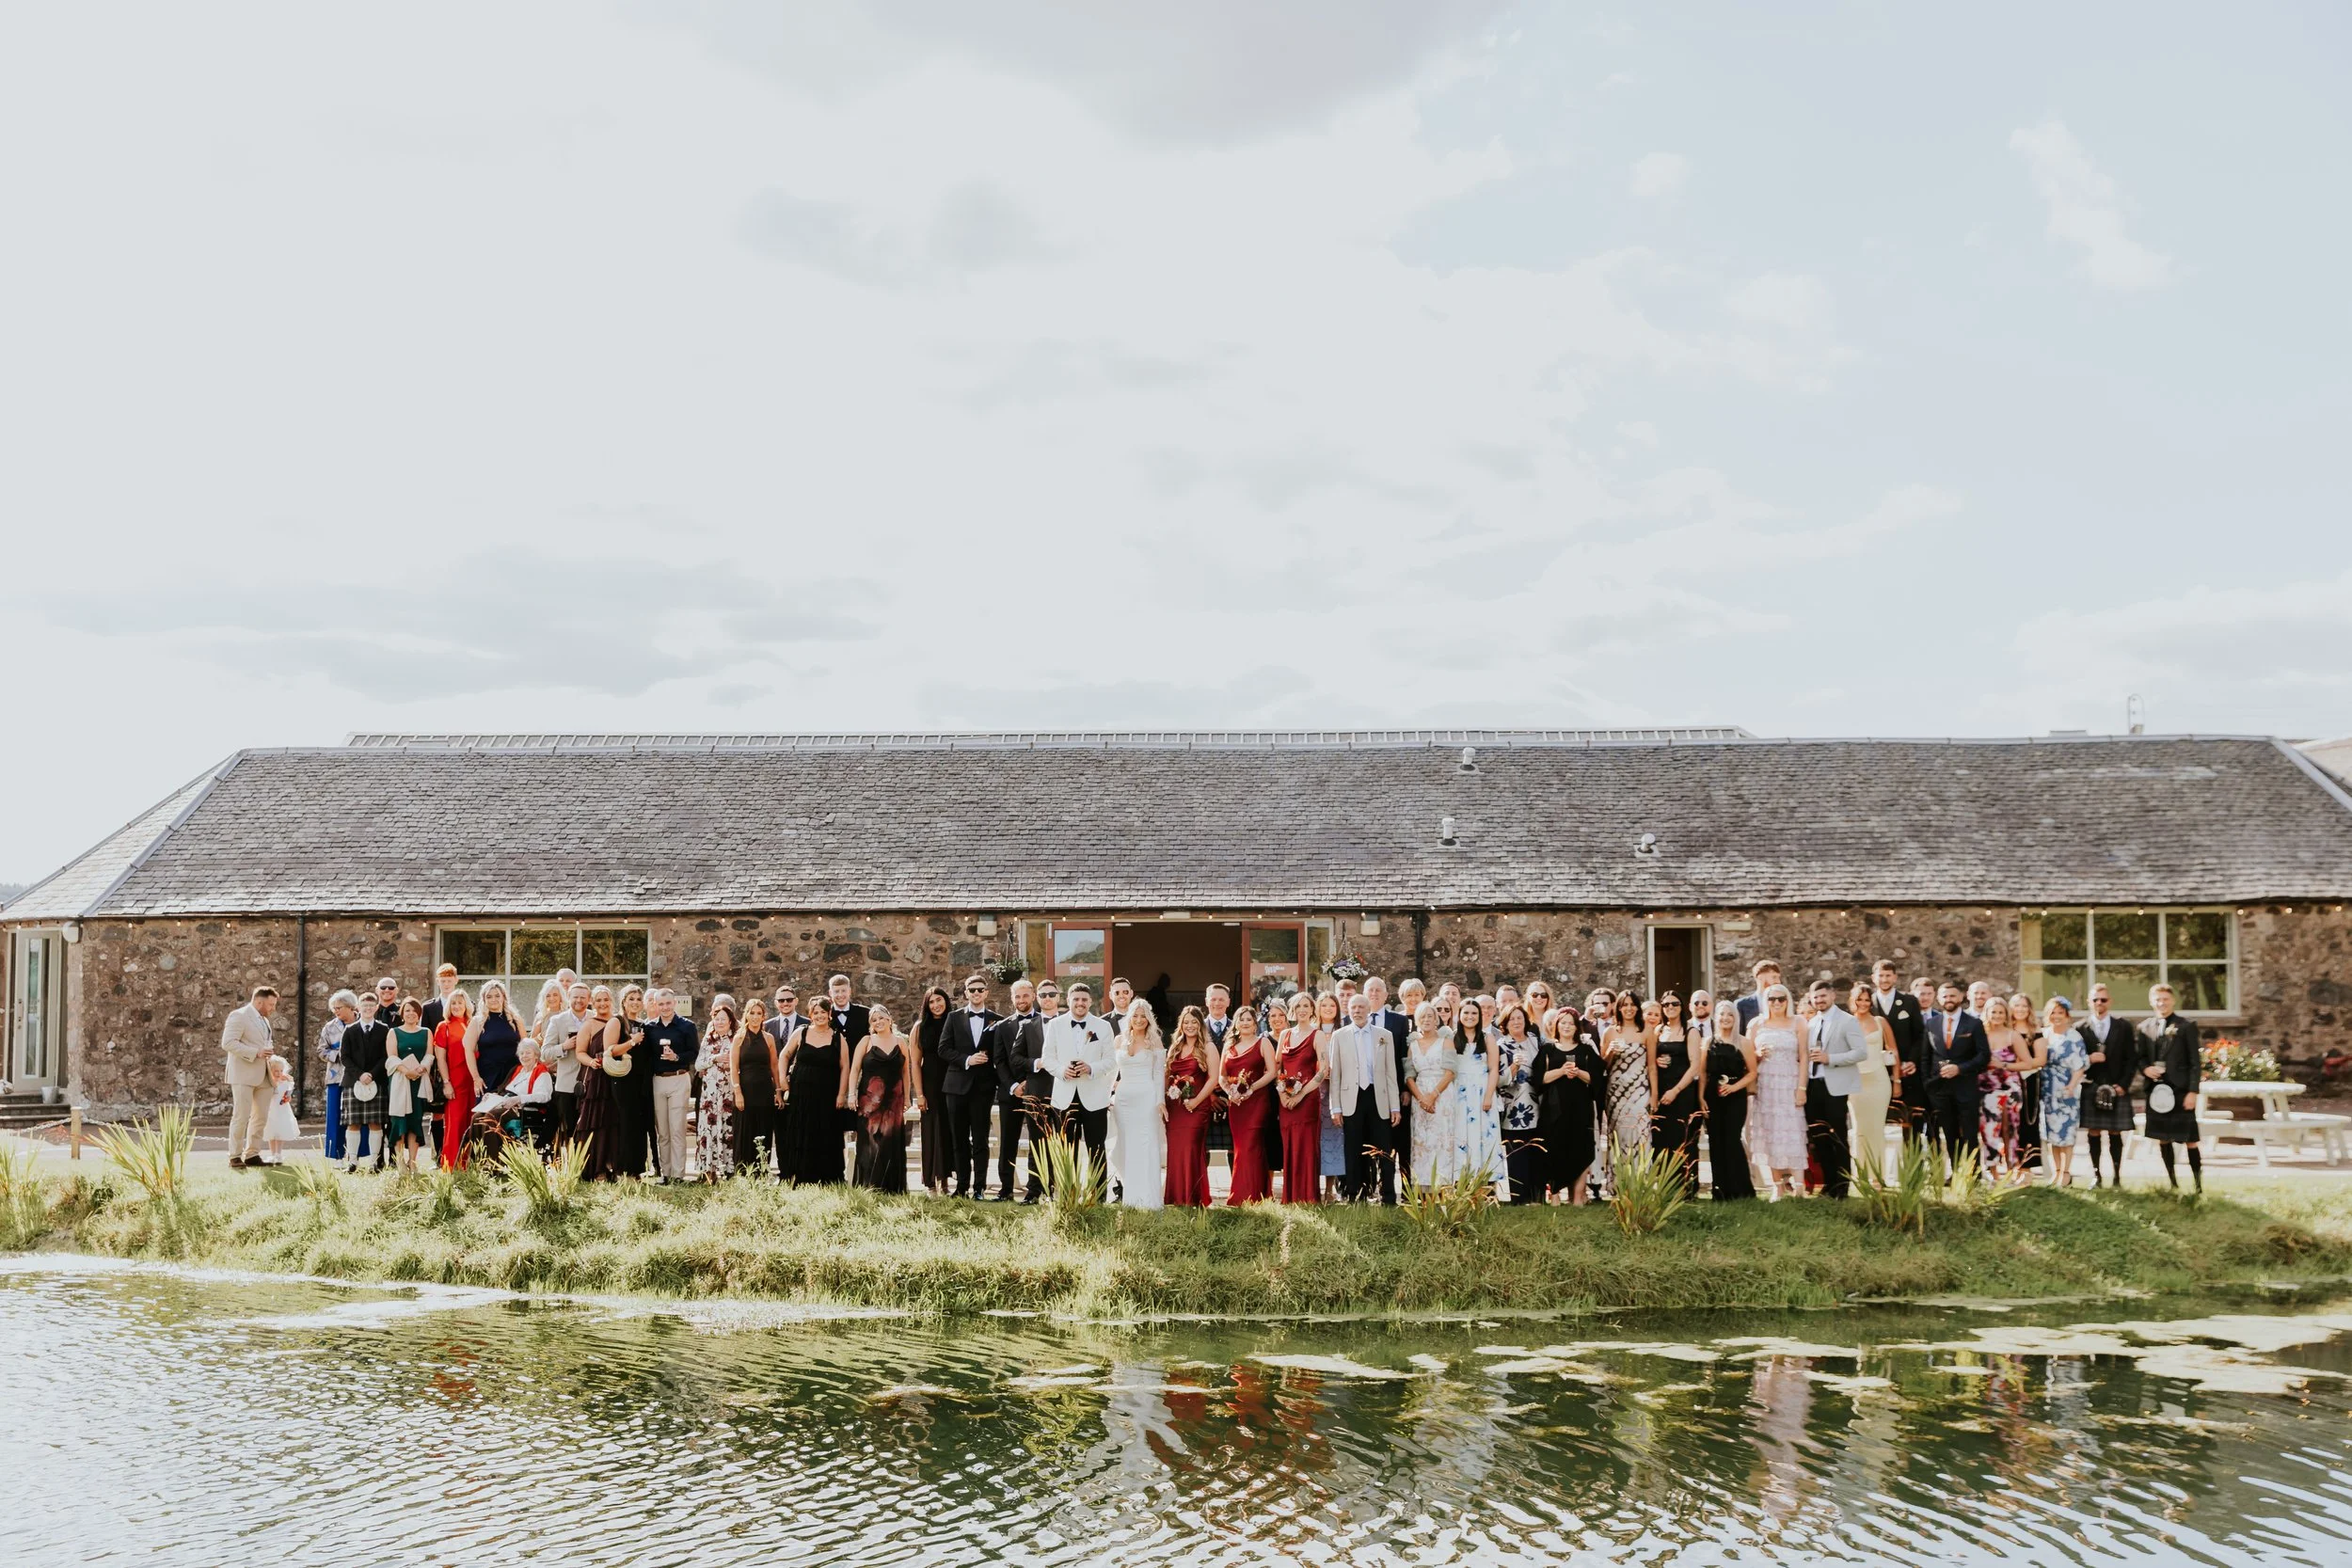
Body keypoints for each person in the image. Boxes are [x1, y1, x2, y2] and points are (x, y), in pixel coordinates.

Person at [1329, 992, 1401, 1202]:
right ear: (1348, 1011)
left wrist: (1395, 1107)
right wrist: (1336, 1107)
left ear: (1369, 1010)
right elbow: (1336, 1075)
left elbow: (1390, 1073)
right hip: (1351, 1099)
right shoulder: (1339, 1035)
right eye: (1354, 1008)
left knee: (1384, 1149)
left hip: (1378, 1098)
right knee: (1353, 1149)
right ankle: (1354, 1194)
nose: (1358, 1011)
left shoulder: (1384, 1035)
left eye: (1362, 1007)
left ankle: (1388, 1195)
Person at [1040, 984, 1118, 1167]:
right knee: (1067, 1151)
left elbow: (1111, 1061)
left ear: (1090, 1002)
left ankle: (1097, 1196)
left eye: (1084, 999)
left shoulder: (1103, 1026)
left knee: (1097, 1151)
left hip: (1095, 1098)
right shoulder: (1055, 1025)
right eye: (1076, 999)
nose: (1080, 1003)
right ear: (1068, 1001)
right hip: (1064, 1097)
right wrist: (1062, 1071)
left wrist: (1090, 1068)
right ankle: (1068, 1195)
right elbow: (1047, 1058)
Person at [1801, 979, 1866, 1198]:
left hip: (1835, 1088)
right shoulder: (1810, 1024)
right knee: (1819, 1138)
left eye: (1823, 996)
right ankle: (1828, 1184)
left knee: (1837, 1137)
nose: (1819, 1000)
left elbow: (1860, 1052)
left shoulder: (1847, 1021)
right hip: (1813, 1087)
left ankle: (1842, 1186)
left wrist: (1831, 1058)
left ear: (1833, 996)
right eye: (1815, 997)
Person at [940, 974, 1001, 1199]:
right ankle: (962, 1187)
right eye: (972, 990)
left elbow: (1000, 1053)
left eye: (980, 989)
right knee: (959, 1139)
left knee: (981, 1140)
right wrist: (967, 1060)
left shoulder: (997, 1020)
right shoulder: (954, 1018)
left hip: (983, 1089)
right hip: (956, 1087)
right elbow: (943, 1049)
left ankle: (980, 1189)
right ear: (965, 993)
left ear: (986, 992)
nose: (976, 993)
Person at [2138, 983, 2203, 1192]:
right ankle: (2173, 1183)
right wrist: (2146, 1069)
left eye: (2165, 999)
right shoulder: (2144, 1027)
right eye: (2157, 999)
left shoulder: (2186, 1026)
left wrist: (2193, 1091)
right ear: (2151, 1002)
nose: (2161, 1003)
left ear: (2173, 1000)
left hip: (2180, 1090)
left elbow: (2195, 1062)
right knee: (2163, 1139)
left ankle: (2198, 1185)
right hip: (2156, 1090)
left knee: (2190, 1140)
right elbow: (2139, 1058)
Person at [993, 978, 1053, 1201]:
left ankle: (1034, 1190)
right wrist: (1013, 1086)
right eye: (1017, 996)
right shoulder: (1003, 1026)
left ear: (1033, 997)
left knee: (1038, 1143)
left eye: (1025, 995)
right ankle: (1006, 1189)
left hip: (1038, 1090)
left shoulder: (1047, 1023)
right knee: (1008, 1142)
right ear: (1012, 999)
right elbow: (999, 1060)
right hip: (1011, 1093)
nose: (1021, 1000)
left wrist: (1029, 1082)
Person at [778, 997, 850, 1184]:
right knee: (802, 1131)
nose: (819, 1016)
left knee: (826, 1132)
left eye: (823, 1012)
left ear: (829, 1014)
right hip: (801, 1093)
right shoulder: (801, 1033)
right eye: (815, 1012)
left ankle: (827, 1178)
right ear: (810, 1015)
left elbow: (845, 1067)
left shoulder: (837, 1037)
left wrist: (842, 1094)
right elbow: (784, 1055)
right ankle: (801, 1176)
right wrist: (782, 1080)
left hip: (827, 1094)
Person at [1747, 986, 1806, 1198]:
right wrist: (1756, 1053)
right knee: (1769, 1132)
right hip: (1766, 1084)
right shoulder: (1756, 1024)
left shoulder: (1798, 1022)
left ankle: (1799, 1186)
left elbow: (1804, 1056)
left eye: (1781, 999)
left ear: (1788, 1000)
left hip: (1789, 1082)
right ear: (1766, 1001)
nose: (1777, 1003)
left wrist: (1802, 1087)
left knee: (1793, 1131)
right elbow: (1747, 1055)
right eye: (1772, 999)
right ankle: (1778, 1186)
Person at [1924, 981, 1990, 1172]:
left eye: (1953, 996)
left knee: (1969, 1133)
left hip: (1966, 1087)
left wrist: (1960, 1069)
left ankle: (1972, 1176)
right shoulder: (1931, 1024)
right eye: (1945, 996)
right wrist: (1928, 1083)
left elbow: (1983, 1056)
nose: (1949, 1000)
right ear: (1939, 998)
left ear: (1961, 997)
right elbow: (1926, 1057)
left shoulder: (1974, 1024)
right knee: (1949, 1133)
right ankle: (1954, 1173)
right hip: (1940, 1089)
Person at [1535, 1006, 1598, 1202]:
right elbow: (1539, 1078)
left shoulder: (1586, 1050)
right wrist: (1562, 1071)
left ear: (1577, 1027)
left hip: (1580, 1107)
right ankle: (1554, 1197)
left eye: (1571, 1023)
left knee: (1581, 1149)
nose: (1566, 1026)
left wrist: (1578, 1072)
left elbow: (1596, 1078)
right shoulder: (1547, 1049)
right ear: (1556, 1025)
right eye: (1563, 1023)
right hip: (1554, 1108)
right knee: (1554, 1149)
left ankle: (1577, 1198)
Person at [849, 1003, 914, 1192]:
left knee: (891, 1141)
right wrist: (851, 1094)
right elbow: (854, 1070)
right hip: (869, 1101)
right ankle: (868, 1185)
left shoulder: (901, 1042)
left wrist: (908, 1097)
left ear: (889, 1019)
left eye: (881, 1018)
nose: (878, 1022)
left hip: (895, 1100)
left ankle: (891, 1186)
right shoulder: (866, 1041)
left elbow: (906, 1072)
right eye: (874, 1020)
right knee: (870, 1140)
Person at [2077, 982, 2137, 1188]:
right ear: (2089, 1002)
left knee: (2115, 1132)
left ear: (2109, 1001)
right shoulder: (2080, 1028)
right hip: (2091, 1086)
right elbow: (2076, 1060)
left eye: (2103, 999)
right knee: (2093, 1131)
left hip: (2116, 1086)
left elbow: (2131, 1059)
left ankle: (2118, 1177)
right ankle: (2097, 1175)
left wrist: (2124, 1085)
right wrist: (2089, 1059)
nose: (2099, 1003)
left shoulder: (2123, 1026)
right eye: (2095, 999)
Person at [1109, 1000, 1167, 1210]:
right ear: (1129, 1018)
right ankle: (1131, 1199)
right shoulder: (1119, 1041)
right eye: (1135, 1016)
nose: (1139, 1020)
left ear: (1149, 1019)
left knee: (1146, 1146)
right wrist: (1109, 1095)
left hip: (1147, 1099)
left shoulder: (1155, 1042)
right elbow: (1110, 1072)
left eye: (1143, 1016)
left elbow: (1159, 1074)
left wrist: (1160, 1101)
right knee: (1126, 1146)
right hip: (1123, 1100)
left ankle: (1150, 1200)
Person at [1272, 993, 1329, 1205]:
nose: (1302, 1009)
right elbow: (1278, 1068)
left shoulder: (1318, 1035)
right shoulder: (1285, 1034)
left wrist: (1301, 1094)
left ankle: (1308, 1197)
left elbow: (1324, 1069)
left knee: (1306, 1147)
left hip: (1307, 1100)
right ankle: (1290, 1197)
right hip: (1286, 1101)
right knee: (1289, 1146)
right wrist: (1283, 1095)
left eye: (1306, 1006)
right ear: (1292, 1010)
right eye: (1298, 1006)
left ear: (1312, 1009)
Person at [638, 989, 699, 1181]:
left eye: (668, 1003)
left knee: (677, 1129)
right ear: (655, 1005)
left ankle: (678, 1174)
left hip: (679, 1078)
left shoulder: (687, 1026)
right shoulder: (649, 1028)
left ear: (674, 1003)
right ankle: (666, 1173)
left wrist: (677, 1057)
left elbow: (694, 1053)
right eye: (661, 1004)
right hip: (658, 1080)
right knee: (662, 1131)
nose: (664, 1007)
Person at [1219, 1004, 1277, 1203]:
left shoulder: (1263, 1043)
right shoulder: (1229, 1046)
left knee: (1252, 1145)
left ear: (1255, 1024)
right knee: (1241, 1147)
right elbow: (1222, 1076)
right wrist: (1229, 1092)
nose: (1245, 1023)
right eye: (1241, 1019)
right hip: (1236, 1105)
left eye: (1249, 1020)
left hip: (1257, 1103)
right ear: (1236, 1023)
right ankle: (1245, 1194)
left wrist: (1252, 1088)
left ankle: (1253, 1195)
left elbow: (1272, 1072)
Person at [1647, 993, 1702, 1194]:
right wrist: (1656, 1062)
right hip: (1661, 1091)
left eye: (1675, 1004)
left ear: (1681, 1007)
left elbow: (1695, 1065)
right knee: (1661, 1139)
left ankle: (1686, 1188)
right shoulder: (1658, 1030)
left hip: (1683, 1092)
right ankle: (1664, 1188)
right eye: (1666, 1004)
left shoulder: (1691, 1031)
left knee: (1682, 1139)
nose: (1670, 1007)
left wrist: (1676, 1090)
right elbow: (1649, 1060)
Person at [1871, 959, 1931, 1140]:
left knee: (1912, 1122)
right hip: (1877, 1071)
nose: (1884, 979)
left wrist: (1912, 1061)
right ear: (1873, 978)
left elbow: (1920, 1035)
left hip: (1907, 1070)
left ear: (1895, 977)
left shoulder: (1909, 1001)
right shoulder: (1868, 1003)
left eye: (1888, 975)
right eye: (1880, 975)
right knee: (1879, 1121)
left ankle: (1915, 1164)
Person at [1405, 1002, 1464, 1185]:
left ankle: (1443, 1185)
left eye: (1430, 1016)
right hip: (1420, 1097)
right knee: (1422, 1140)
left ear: (1436, 1019)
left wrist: (1433, 1095)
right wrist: (1421, 1097)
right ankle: (1423, 1188)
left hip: (1442, 1095)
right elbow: (1409, 1076)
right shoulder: (1413, 1045)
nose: (1427, 1020)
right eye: (1422, 1017)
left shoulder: (1445, 1042)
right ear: (1417, 1021)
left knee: (1442, 1140)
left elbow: (1451, 1072)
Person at [221, 985, 278, 1170]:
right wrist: (256, 1052)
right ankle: (235, 1156)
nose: (272, 1008)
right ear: (259, 1001)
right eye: (270, 1004)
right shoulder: (238, 1016)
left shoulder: (265, 1021)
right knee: (241, 1115)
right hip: (243, 1074)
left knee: (260, 1117)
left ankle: (252, 1154)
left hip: (264, 1074)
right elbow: (228, 1043)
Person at [1705, 1000, 1758, 1200]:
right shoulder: (1708, 1042)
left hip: (1735, 1097)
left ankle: (1742, 1190)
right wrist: (1701, 1099)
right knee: (1716, 1142)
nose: (1726, 1018)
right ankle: (1720, 1190)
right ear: (1716, 1017)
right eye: (1722, 1014)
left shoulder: (1743, 1042)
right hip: (1712, 1097)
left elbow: (1752, 1073)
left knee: (1732, 1140)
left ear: (1736, 1018)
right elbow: (1703, 1074)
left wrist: (1734, 1087)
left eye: (1730, 1015)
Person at [1597, 992, 1649, 1197]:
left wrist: (1653, 1095)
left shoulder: (1646, 1031)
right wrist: (1611, 1051)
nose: (1629, 1008)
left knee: (1639, 1134)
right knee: (1618, 1137)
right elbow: (1604, 1066)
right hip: (1616, 1092)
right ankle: (1617, 1184)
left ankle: (1639, 1184)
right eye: (1624, 1005)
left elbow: (1652, 1066)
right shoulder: (1610, 1032)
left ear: (1637, 1008)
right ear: (1618, 1008)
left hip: (1640, 1090)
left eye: (1632, 1005)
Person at [1163, 1006, 1216, 1207]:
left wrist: (1196, 1101)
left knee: (1192, 1149)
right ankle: (1175, 1197)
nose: (1190, 1026)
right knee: (1175, 1152)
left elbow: (1212, 1079)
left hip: (1196, 1107)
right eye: (1186, 1022)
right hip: (1175, 1108)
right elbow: (1167, 1076)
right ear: (1181, 1025)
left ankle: (1193, 1197)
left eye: (1194, 1022)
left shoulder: (1208, 1047)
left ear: (1200, 1024)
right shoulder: (1175, 1046)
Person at [1977, 996, 2032, 1176]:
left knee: (2010, 1129)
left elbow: (2028, 1063)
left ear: (2006, 1014)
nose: (1997, 1015)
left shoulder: (2012, 1035)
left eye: (2001, 1012)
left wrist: (2004, 1065)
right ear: (1987, 1013)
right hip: (1986, 1087)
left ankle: (2011, 1168)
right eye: (1994, 1012)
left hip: (2010, 1087)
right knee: (1989, 1129)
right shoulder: (1980, 1035)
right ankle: (1992, 1170)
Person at [1494, 1003, 1543, 1205]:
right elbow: (1498, 1079)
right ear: (1505, 1023)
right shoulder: (1501, 1046)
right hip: (1514, 1106)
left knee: (1536, 1151)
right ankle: (1518, 1198)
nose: (1516, 1021)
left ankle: (1538, 1196)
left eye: (1519, 1018)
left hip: (1537, 1104)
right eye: (1512, 1019)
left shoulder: (1536, 1042)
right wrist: (1514, 1067)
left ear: (1525, 1021)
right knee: (1517, 1153)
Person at [1847, 984, 1895, 1183]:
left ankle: (1878, 1176)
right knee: (1859, 1129)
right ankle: (1861, 1176)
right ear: (1853, 1000)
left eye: (1867, 1000)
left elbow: (1893, 1051)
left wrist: (1897, 1080)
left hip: (1879, 1080)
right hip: (1855, 1081)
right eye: (1860, 999)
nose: (1863, 1003)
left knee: (1876, 1128)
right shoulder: (1846, 1023)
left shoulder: (1880, 1021)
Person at [339, 990, 391, 1174]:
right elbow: (344, 1057)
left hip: (377, 1081)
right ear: (358, 1008)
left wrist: (372, 1074)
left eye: (371, 1006)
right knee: (353, 1123)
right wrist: (360, 1074)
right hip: (353, 1081)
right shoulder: (349, 1030)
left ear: (376, 1008)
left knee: (375, 1123)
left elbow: (386, 1056)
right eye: (365, 1006)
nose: (368, 1009)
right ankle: (352, 1162)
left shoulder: (384, 1029)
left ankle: (374, 1163)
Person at [729, 996, 780, 1175]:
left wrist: (779, 1091)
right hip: (745, 1090)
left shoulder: (769, 1038)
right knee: (744, 1131)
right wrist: (738, 1093)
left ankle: (762, 1171)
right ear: (747, 1015)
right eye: (752, 1013)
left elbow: (774, 1066)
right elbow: (733, 1067)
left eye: (759, 1013)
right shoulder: (739, 1038)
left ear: (764, 1016)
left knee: (763, 1130)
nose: (755, 1017)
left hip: (765, 1091)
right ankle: (743, 1172)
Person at [2039, 997, 2087, 1187]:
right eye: (2053, 1012)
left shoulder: (2074, 1037)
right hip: (2047, 1089)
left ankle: (2066, 1173)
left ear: (2067, 1016)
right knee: (2051, 1134)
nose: (2056, 1016)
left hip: (2067, 1089)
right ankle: (2056, 1171)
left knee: (2066, 1133)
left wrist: (2071, 1086)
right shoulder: (2044, 1034)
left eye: (2060, 1013)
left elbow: (2080, 1066)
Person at [384, 998, 435, 1172]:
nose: (411, 1013)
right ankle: (400, 1163)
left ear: (419, 1013)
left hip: (419, 1081)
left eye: (414, 1010)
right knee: (399, 1121)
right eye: (407, 1010)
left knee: (415, 1120)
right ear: (402, 1013)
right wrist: (406, 1071)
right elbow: (391, 1057)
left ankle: (412, 1162)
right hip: (400, 1081)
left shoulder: (426, 1032)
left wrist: (422, 1067)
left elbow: (429, 1054)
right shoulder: (394, 1032)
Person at [913, 986, 954, 1195]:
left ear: (946, 1001)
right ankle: (930, 1182)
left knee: (948, 1132)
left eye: (940, 1000)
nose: (936, 1005)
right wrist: (919, 1094)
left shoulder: (954, 1022)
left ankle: (945, 1180)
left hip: (952, 1084)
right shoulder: (920, 1027)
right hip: (929, 1085)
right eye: (931, 1001)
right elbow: (915, 1063)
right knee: (930, 1132)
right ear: (926, 1005)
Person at [1305, 991, 1345, 1199]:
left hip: (1335, 1092)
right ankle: (1313, 1188)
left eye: (1332, 1005)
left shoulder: (1344, 1031)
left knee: (1333, 1139)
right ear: (1317, 1009)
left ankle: (1330, 1189)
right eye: (1324, 1005)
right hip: (1314, 1091)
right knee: (1314, 1139)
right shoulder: (1310, 1032)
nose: (1328, 1009)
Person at [695, 997, 741, 1180]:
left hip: (728, 1091)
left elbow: (740, 1063)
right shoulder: (709, 1039)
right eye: (716, 1018)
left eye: (723, 1018)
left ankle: (729, 1169)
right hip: (710, 1094)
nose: (719, 1021)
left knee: (728, 1128)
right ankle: (709, 1171)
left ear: (730, 1021)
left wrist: (730, 1063)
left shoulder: (736, 1039)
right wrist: (715, 1058)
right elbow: (699, 1065)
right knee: (709, 1129)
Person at [542, 983, 591, 1148]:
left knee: (590, 1129)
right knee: (570, 1131)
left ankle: (590, 1169)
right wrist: (564, 1046)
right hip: (566, 1085)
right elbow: (545, 1053)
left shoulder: (596, 1018)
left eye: (582, 997)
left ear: (589, 999)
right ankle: (573, 1168)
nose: (578, 1000)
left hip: (591, 1082)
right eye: (575, 997)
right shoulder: (557, 1021)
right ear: (569, 998)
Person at [434, 988, 476, 1169]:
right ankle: (450, 1166)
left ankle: (470, 1165)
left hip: (475, 1081)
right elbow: (440, 1058)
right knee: (455, 1124)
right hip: (455, 1082)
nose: (457, 1006)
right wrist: (447, 1083)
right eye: (453, 1003)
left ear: (467, 1005)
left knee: (473, 1122)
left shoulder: (475, 1024)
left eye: (460, 1002)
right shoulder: (444, 1027)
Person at [319, 990, 354, 1164]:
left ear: (349, 1006)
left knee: (358, 1118)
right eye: (333, 1008)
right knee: (335, 1117)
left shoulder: (362, 1023)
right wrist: (338, 1056)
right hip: (335, 1077)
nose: (336, 1011)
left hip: (357, 1078)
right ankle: (337, 1157)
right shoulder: (329, 1027)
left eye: (338, 1007)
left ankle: (358, 1156)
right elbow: (321, 1051)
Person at [262, 1054, 300, 1164]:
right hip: (271, 1110)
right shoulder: (269, 1084)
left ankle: (278, 1154)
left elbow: (288, 1096)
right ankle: (272, 1154)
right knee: (271, 1132)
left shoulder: (285, 1083)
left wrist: (289, 1090)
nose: (279, 1074)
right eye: (276, 1071)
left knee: (280, 1131)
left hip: (282, 1110)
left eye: (281, 1071)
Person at [1735, 961, 1783, 1032]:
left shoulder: (1783, 1002)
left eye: (1779, 977)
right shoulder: (1741, 1005)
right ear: (1760, 978)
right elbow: (1739, 1034)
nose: (1778, 982)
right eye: (1774, 977)